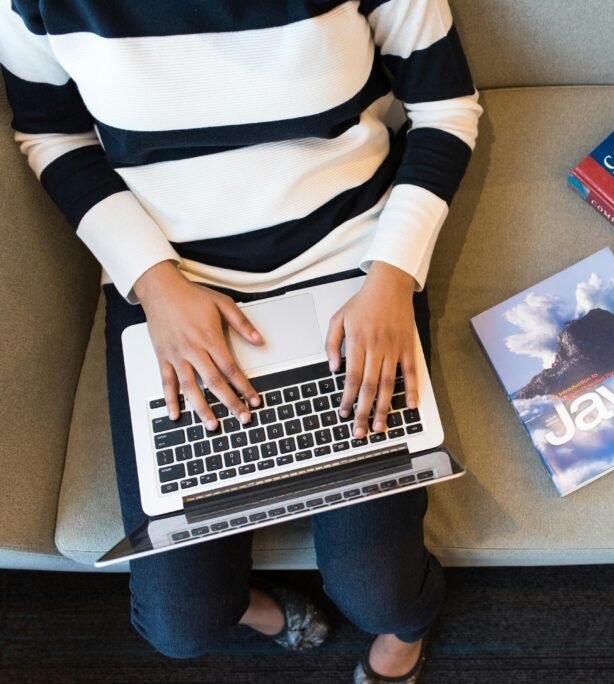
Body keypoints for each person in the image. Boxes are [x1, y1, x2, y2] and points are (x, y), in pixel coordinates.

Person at [1, 1, 481, 680]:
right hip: (171, 283)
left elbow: (445, 109)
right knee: (181, 624)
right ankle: (260, 609)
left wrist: (394, 278)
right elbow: (51, 134)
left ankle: (408, 629)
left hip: (352, 267)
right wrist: (156, 285)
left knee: (382, 591)